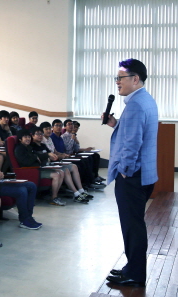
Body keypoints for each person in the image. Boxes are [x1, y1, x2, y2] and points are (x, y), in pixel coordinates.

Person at [104, 59, 158, 287]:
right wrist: (115, 123)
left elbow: (133, 143)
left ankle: (135, 274)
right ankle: (131, 267)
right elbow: (132, 132)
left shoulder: (135, 104)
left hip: (132, 177)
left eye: (121, 77)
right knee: (133, 224)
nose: (117, 82)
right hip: (144, 174)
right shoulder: (144, 99)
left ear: (135, 79)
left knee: (132, 226)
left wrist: (124, 172)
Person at [30, 126, 91, 204]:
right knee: (60, 172)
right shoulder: (32, 146)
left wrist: (58, 156)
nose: (40, 136)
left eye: (41, 134)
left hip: (50, 164)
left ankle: (80, 191)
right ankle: (63, 195)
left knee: (71, 167)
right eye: (37, 134)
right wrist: (51, 157)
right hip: (42, 167)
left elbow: (52, 154)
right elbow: (40, 158)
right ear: (33, 136)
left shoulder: (43, 145)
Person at [14, 129, 69, 205]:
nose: (28, 139)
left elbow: (37, 156)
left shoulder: (29, 147)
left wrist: (41, 156)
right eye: (25, 137)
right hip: (31, 171)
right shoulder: (19, 149)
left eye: (29, 137)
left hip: (38, 168)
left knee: (61, 172)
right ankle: (53, 198)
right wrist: (35, 157)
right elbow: (26, 162)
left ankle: (54, 195)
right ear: (20, 139)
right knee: (56, 175)